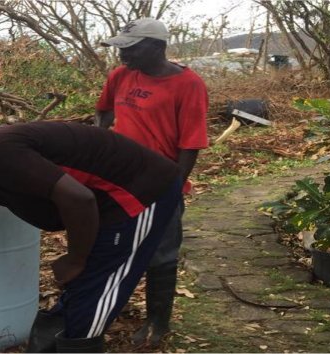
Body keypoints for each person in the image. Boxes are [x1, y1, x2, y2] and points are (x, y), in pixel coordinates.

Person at [0, 121, 183, 352]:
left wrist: (76, 259)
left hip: (138, 191)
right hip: (102, 201)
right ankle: (61, 335)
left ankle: (80, 339)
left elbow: (79, 200)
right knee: (85, 286)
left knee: (101, 284)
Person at [95, 18, 209, 346]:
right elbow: (103, 112)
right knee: (114, 245)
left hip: (160, 182)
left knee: (161, 254)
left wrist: (171, 189)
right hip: (117, 181)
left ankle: (158, 322)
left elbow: (190, 144)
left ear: (158, 47)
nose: (123, 55)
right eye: (120, 48)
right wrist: (96, 148)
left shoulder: (188, 84)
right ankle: (108, 308)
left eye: (131, 48)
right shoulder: (120, 75)